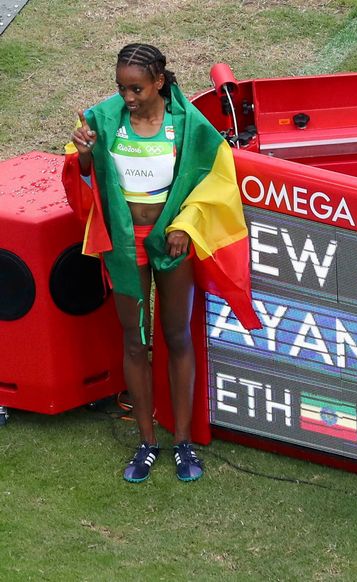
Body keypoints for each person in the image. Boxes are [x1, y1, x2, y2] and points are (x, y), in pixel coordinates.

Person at [62, 43, 260, 483]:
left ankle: (183, 443)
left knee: (177, 336)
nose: (127, 97)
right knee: (135, 341)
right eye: (120, 87)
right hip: (123, 243)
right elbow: (84, 176)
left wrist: (184, 225)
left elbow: (214, 180)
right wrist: (85, 154)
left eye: (136, 88)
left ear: (158, 82)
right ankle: (147, 444)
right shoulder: (101, 119)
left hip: (171, 244)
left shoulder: (186, 124)